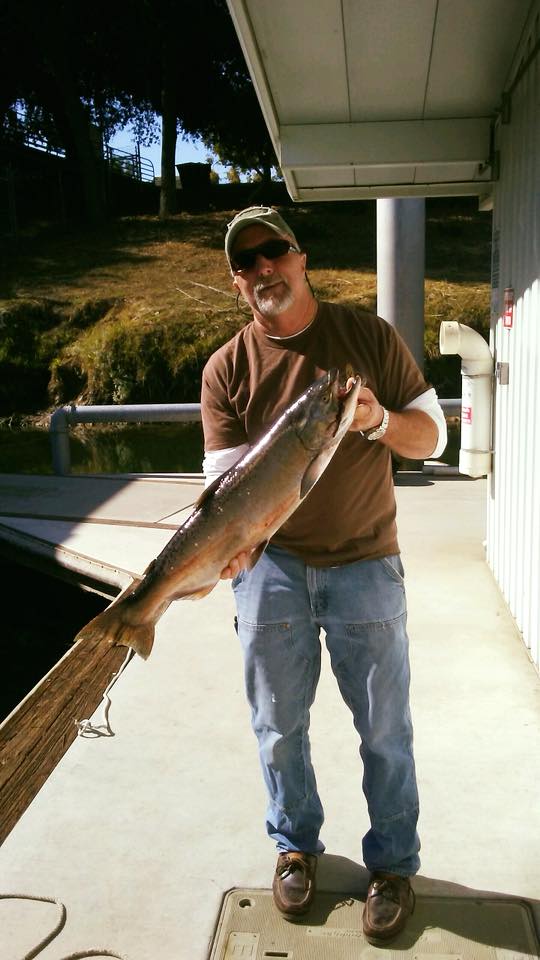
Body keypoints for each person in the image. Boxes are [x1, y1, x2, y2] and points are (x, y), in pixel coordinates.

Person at [200, 206, 447, 945]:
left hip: (366, 560)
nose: (263, 269)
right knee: (278, 727)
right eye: (247, 263)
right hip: (271, 568)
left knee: (384, 730)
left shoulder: (368, 337)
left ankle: (394, 864)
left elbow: (431, 435)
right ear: (238, 282)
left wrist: (375, 421)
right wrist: (227, 553)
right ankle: (294, 847)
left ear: (301, 257)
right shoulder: (226, 369)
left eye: (273, 251)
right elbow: (222, 493)